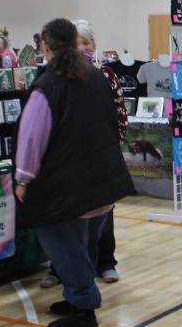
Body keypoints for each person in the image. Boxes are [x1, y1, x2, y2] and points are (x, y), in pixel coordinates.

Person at [15, 19, 133, 327]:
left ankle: (83, 307)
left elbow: (31, 138)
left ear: (45, 46)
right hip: (102, 178)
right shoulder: (96, 77)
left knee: (65, 246)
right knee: (83, 244)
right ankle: (75, 295)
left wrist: (24, 179)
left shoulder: (48, 85)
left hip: (68, 185)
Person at [40, 20, 127, 288]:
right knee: (69, 221)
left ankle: (105, 262)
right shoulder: (55, 77)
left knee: (102, 216)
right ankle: (60, 270)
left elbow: (118, 114)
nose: (82, 48)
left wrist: (113, 147)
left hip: (100, 156)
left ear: (93, 44)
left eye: (86, 43)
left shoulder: (104, 75)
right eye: (77, 43)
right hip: (71, 161)